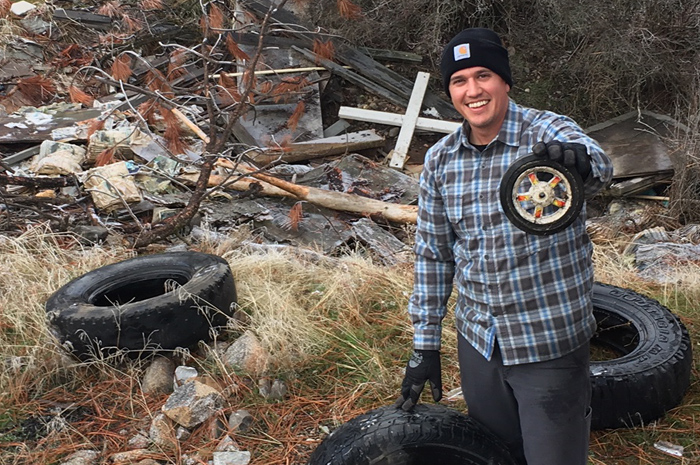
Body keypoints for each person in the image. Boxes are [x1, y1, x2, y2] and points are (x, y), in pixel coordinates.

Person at [393, 27, 614, 465]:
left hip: (547, 339)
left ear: (505, 81)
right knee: (495, 455)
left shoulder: (546, 131)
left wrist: (581, 160)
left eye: (483, 76)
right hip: (480, 342)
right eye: (459, 81)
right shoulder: (440, 160)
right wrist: (425, 343)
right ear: (450, 91)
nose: (473, 90)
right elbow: (434, 253)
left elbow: (597, 160)